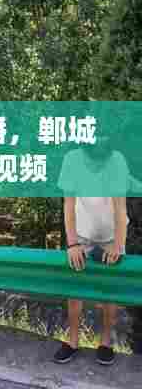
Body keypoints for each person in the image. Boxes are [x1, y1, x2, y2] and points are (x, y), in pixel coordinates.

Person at [53, 138, 129, 366]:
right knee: (75, 289)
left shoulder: (117, 161)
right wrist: (72, 244)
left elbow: (120, 206)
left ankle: (105, 342)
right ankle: (73, 341)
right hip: (81, 233)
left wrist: (118, 244)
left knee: (109, 290)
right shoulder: (71, 160)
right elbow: (68, 204)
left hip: (112, 234)